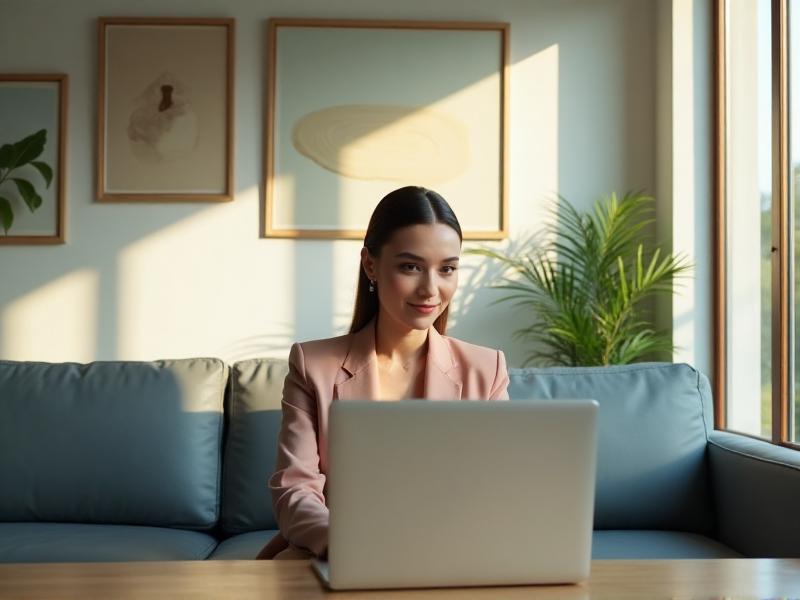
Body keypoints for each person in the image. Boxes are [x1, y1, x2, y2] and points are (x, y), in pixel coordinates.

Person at [255, 186, 510, 560]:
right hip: (340, 553)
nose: (430, 289)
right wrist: (341, 543)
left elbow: (499, 487)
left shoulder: (486, 371)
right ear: (371, 265)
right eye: (410, 266)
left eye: (447, 269)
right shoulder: (314, 366)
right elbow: (295, 487)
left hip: (453, 552)